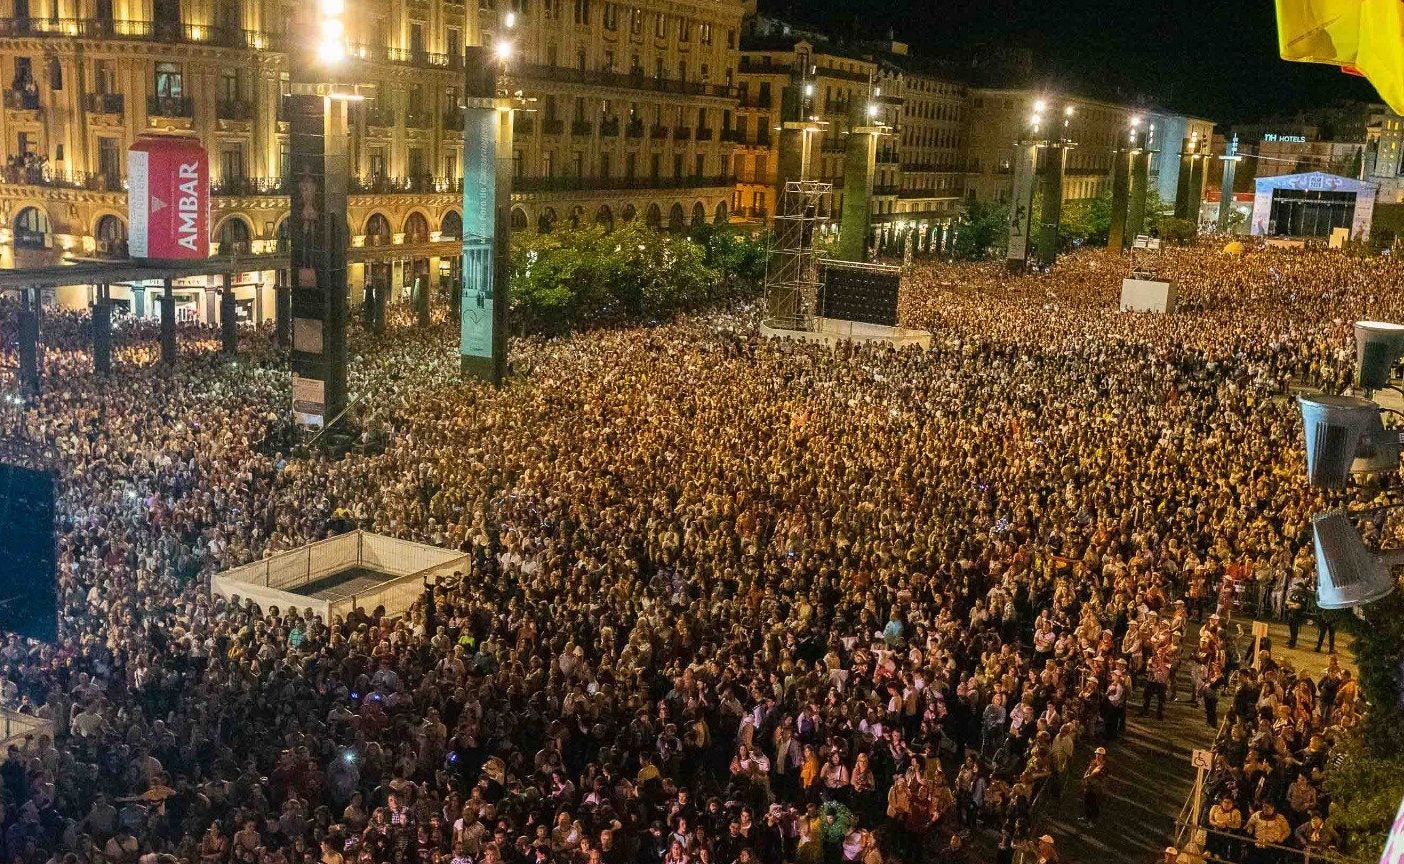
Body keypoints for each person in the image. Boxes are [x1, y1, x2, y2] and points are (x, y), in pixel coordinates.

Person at [1079, 748, 1107, 828]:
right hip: (1088, 786)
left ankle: (1093, 821)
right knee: (1086, 802)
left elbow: (1098, 775)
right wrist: (1085, 778)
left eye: (1100, 754)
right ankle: (1086, 818)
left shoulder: (1103, 766)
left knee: (1094, 805)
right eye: (1097, 754)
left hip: (1096, 788)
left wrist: (1088, 777)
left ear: (1103, 756)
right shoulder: (1093, 762)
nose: (1098, 755)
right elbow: (1088, 771)